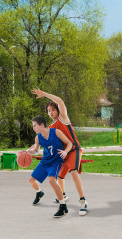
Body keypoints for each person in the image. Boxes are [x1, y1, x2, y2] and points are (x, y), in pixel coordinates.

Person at [31, 87, 88, 216]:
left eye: (53, 110)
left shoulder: (63, 118)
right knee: (59, 177)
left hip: (73, 149)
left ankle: (83, 201)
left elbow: (60, 101)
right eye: (48, 111)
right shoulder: (50, 128)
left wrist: (43, 94)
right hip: (63, 154)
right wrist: (27, 151)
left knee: (74, 172)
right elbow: (38, 142)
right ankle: (62, 195)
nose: (50, 112)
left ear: (58, 110)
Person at [25, 115, 72, 218]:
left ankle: (63, 206)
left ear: (42, 125)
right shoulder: (38, 137)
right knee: (31, 180)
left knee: (51, 180)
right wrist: (27, 152)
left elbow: (69, 143)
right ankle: (39, 192)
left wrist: (65, 152)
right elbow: (36, 150)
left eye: (35, 125)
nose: (33, 128)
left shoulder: (56, 132)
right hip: (45, 161)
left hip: (56, 161)